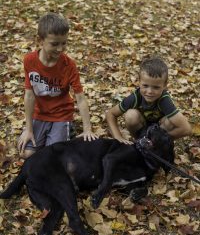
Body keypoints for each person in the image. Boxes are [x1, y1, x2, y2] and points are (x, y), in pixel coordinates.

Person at [18, 12, 97, 159]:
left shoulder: (69, 65)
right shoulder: (29, 61)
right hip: (39, 114)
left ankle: (66, 129)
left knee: (53, 157)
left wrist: (87, 129)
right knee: (26, 153)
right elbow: (29, 95)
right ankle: (47, 135)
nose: (60, 49)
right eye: (55, 44)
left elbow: (80, 98)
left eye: (64, 43)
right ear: (40, 40)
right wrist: (28, 129)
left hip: (61, 114)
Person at [106, 56, 192, 144]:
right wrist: (118, 138)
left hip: (160, 130)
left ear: (165, 85)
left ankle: (154, 147)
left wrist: (161, 139)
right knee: (130, 115)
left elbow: (186, 129)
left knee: (170, 122)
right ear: (139, 82)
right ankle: (139, 142)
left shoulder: (164, 100)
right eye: (145, 86)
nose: (150, 91)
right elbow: (111, 114)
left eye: (156, 87)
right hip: (141, 126)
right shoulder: (135, 97)